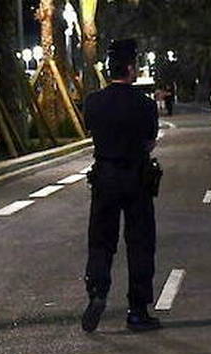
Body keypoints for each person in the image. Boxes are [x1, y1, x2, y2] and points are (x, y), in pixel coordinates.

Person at [80, 38, 161, 333]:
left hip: (105, 176)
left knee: (101, 241)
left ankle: (98, 291)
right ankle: (138, 310)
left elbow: (92, 132)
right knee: (140, 243)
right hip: (136, 178)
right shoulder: (145, 104)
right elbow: (150, 142)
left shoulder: (93, 102)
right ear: (130, 68)